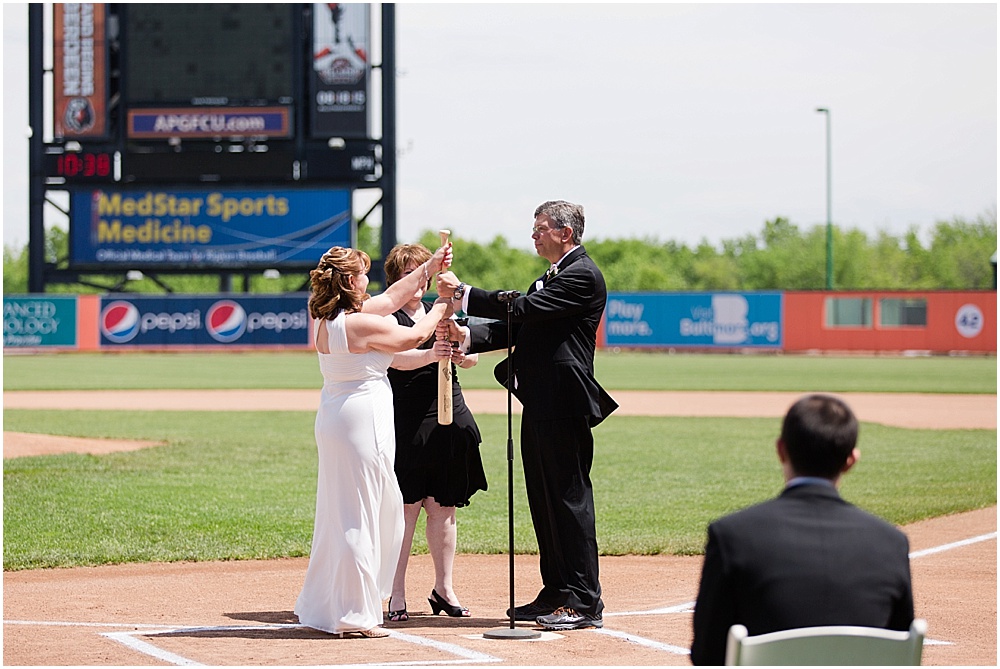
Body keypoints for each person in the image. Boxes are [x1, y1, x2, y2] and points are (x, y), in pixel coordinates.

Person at [436, 200, 618, 631]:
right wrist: (467, 334)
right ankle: (557, 591)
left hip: (564, 402)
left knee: (568, 500)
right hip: (540, 399)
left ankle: (583, 600)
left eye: (540, 228)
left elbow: (523, 310)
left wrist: (464, 294)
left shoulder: (582, 275)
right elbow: (520, 327)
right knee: (544, 498)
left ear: (565, 233)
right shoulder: (553, 275)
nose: (533, 235)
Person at [294, 243, 455, 639]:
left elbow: (392, 297)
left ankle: (334, 605)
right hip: (361, 421)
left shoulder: (330, 317)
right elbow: (413, 336)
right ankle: (355, 614)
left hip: (338, 416)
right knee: (362, 512)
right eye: (363, 274)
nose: (369, 281)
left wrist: (430, 267)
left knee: (344, 512)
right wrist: (442, 303)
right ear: (351, 281)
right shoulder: (358, 324)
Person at [689, 394, 915, 665]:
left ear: (781, 450)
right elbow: (898, 653)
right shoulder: (891, 543)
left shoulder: (733, 536)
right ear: (851, 460)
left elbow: (707, 655)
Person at [382, 243, 488, 622]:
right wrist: (432, 354)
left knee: (444, 506)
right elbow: (395, 358)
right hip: (406, 415)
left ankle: (444, 588)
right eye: (412, 273)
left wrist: (459, 352)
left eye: (424, 273)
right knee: (406, 508)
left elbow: (473, 356)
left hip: (448, 410)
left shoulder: (441, 308)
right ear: (397, 279)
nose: (420, 281)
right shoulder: (386, 315)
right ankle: (395, 592)